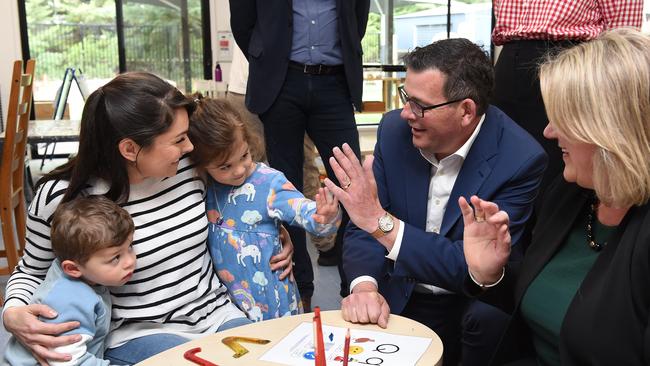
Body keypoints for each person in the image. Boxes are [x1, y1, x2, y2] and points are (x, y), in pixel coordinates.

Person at [2, 72, 293, 365]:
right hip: (138, 332)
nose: (189, 147)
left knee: (275, 359)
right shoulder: (62, 196)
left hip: (218, 313)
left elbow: (243, 194)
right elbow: (31, 271)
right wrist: (12, 313)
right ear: (129, 149)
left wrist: (273, 234)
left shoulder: (190, 168)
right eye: (178, 140)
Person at [323, 38, 547, 365]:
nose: (405, 113)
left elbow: (473, 264)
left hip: (465, 300)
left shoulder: (520, 160)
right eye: (405, 97)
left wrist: (381, 224)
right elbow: (362, 224)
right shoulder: (393, 132)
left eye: (419, 105)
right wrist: (364, 286)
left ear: (466, 110)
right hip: (395, 289)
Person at [459, 28, 650, 365]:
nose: (548, 131)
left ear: (610, 130)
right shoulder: (569, 195)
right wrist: (490, 274)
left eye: (562, 118)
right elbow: (545, 300)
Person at [229, 0, 370, 304]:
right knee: (285, 185)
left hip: (335, 82)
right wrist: (267, 57)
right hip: (282, 83)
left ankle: (356, 285)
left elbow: (356, 22)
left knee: (351, 181)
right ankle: (300, 288)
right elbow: (243, 24)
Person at [188, 97, 341, 321]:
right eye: (225, 166)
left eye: (244, 155)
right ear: (202, 165)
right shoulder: (205, 189)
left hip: (274, 302)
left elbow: (302, 210)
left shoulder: (268, 182)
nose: (240, 170)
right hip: (228, 306)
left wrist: (323, 215)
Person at [492, 0, 642, 200]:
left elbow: (622, 35)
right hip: (508, 60)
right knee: (502, 163)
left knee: (559, 169)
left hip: (566, 64)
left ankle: (560, 227)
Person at [3, 196, 135, 366]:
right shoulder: (70, 301)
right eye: (116, 257)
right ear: (73, 269)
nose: (130, 261)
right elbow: (68, 361)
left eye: (130, 247)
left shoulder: (82, 273)